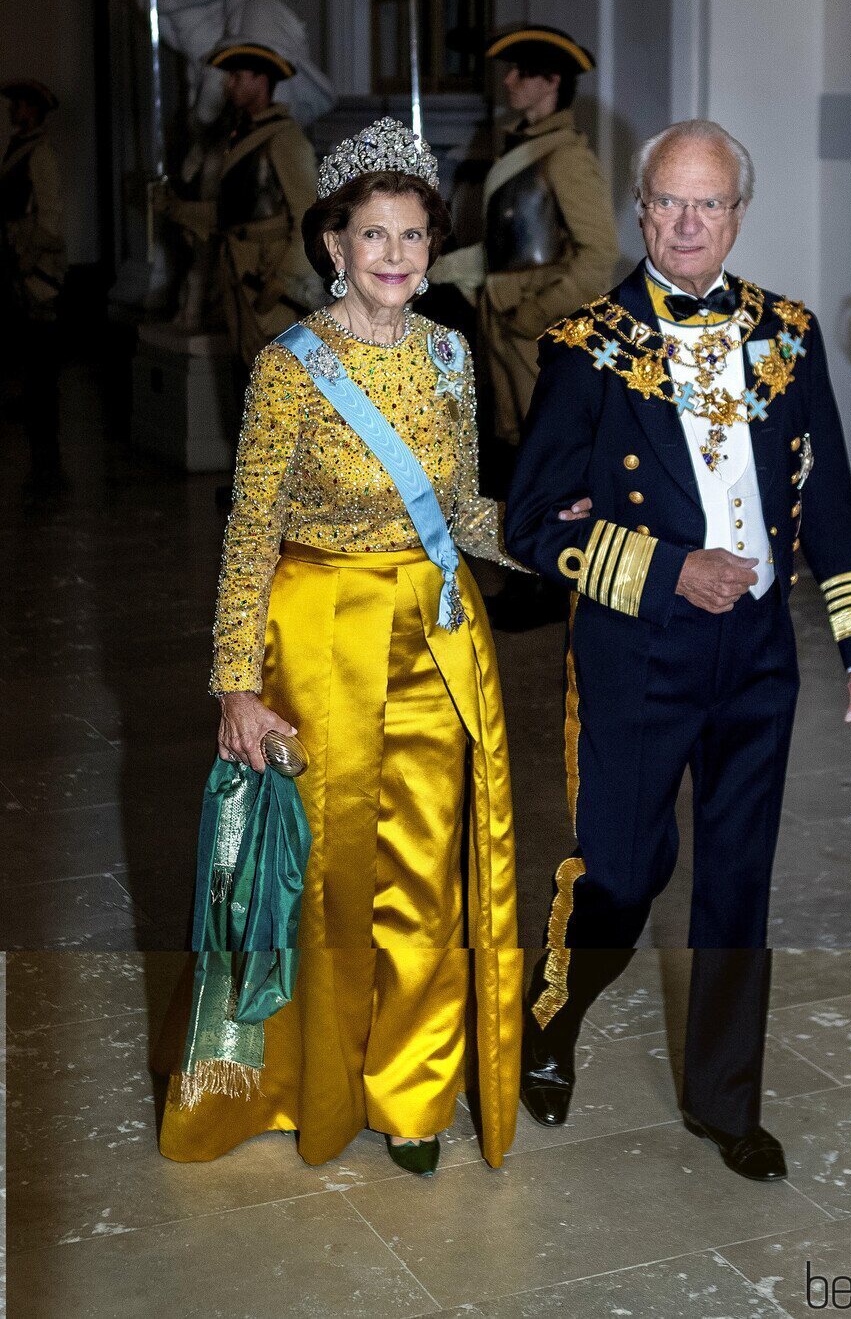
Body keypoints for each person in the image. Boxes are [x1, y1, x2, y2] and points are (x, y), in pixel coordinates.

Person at [504, 119, 851, 1180]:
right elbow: (529, 522)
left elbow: (829, 500)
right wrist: (666, 567)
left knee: (736, 880)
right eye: (667, 204)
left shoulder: (787, 333)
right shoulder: (586, 344)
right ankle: (551, 1017)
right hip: (637, 652)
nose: (685, 225)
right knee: (623, 879)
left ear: (735, 214)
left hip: (759, 656)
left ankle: (724, 1103)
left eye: (706, 204)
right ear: (640, 211)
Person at [157, 118, 522, 1176]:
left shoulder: (450, 355)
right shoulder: (289, 369)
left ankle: (409, 1093)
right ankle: (311, 1083)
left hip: (433, 633)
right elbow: (248, 535)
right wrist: (234, 684)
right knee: (322, 881)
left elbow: (461, 510)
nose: (397, 257)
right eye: (375, 237)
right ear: (335, 247)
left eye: (413, 236)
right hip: (316, 640)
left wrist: (561, 542)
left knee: (423, 874)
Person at [429, 25, 619, 627]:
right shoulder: (524, 144)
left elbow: (597, 256)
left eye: (519, 72)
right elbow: (515, 249)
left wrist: (533, 316)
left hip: (536, 331)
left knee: (552, 459)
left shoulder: (566, 157)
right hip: (505, 322)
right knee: (518, 452)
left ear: (550, 82)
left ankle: (554, 583)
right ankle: (533, 573)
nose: (507, 82)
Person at [158, 41, 321, 371]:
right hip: (238, 275)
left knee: (277, 385)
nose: (228, 84)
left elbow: (311, 218)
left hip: (268, 282)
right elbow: (230, 213)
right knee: (248, 382)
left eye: (236, 76)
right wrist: (175, 208)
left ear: (260, 80)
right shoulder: (238, 137)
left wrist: (285, 280)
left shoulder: (284, 137)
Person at [0, 78, 66, 495]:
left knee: (42, 369)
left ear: (35, 110)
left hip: (37, 274)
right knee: (31, 364)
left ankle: (47, 455)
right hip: (19, 270)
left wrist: (27, 258)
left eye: (21, 105)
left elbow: (51, 220)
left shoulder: (40, 154)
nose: (14, 110)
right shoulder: (18, 150)